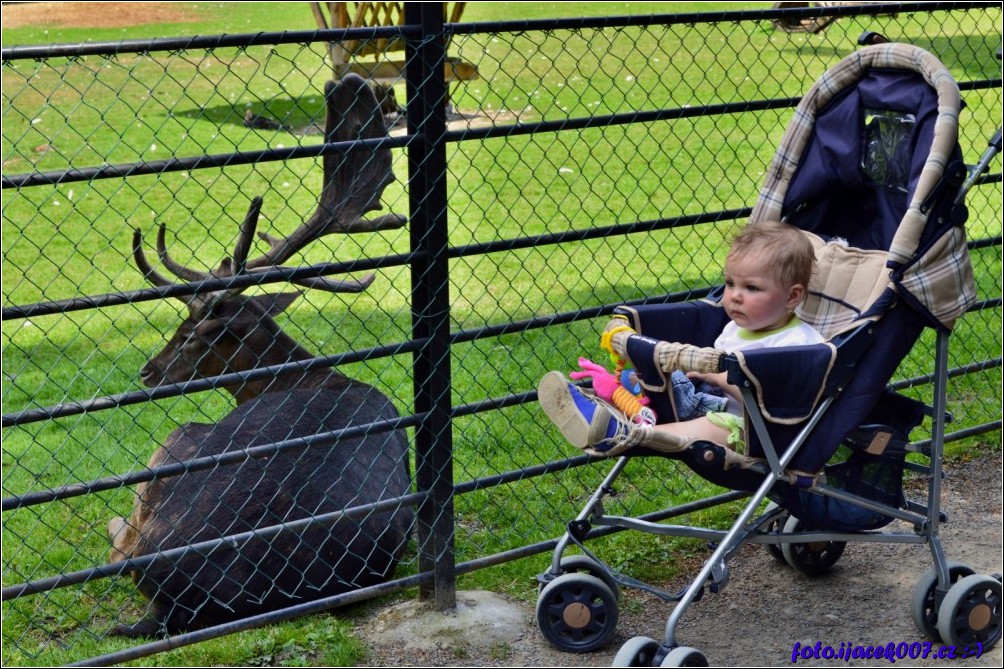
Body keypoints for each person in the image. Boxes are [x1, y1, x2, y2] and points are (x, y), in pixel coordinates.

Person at [538, 221, 825, 458]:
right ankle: (607, 408)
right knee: (652, 378)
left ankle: (626, 434)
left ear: (792, 296)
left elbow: (777, 403)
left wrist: (717, 377)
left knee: (718, 426)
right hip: (706, 402)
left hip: (756, 431)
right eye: (730, 283)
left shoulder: (799, 343)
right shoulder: (735, 328)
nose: (735, 296)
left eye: (751, 288)